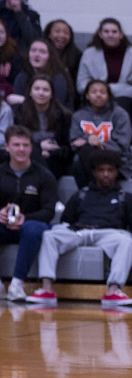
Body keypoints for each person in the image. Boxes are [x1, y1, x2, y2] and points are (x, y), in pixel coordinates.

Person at [41, 152, 132, 308]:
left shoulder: (126, 198)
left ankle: (113, 291)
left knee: (126, 240)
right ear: (94, 172)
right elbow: (65, 221)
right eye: (101, 170)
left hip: (109, 234)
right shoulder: (81, 195)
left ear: (116, 172)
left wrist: (126, 235)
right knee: (49, 235)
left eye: (110, 170)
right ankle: (47, 288)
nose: (105, 174)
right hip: (80, 232)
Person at [1, 126, 57, 303]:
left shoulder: (44, 175)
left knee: (34, 228)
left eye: (25, 145)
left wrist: (26, 218)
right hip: (3, 226)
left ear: (31, 148)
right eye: (16, 145)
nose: (21, 149)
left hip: (30, 226)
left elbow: (48, 212)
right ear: (6, 146)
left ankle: (17, 284)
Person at [68, 78, 132, 172]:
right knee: (79, 160)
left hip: (115, 159)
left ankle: (92, 186)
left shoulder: (120, 114)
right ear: (87, 96)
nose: (98, 95)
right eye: (94, 92)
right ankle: (88, 187)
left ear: (108, 96)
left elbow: (123, 145)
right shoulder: (78, 116)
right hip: (86, 159)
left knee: (88, 151)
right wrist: (88, 139)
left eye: (102, 92)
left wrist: (97, 143)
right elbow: (74, 142)